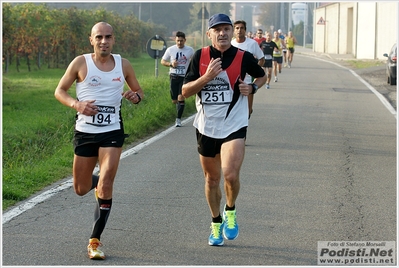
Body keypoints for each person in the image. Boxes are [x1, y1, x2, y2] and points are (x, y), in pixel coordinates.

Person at [54, 22, 144, 260]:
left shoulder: (123, 64)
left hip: (112, 131)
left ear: (114, 39)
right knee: (81, 188)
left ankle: (95, 240)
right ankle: (96, 184)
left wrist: (135, 97)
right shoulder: (80, 63)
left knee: (106, 183)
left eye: (108, 37)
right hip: (85, 132)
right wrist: (77, 104)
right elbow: (59, 91)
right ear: (91, 40)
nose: (104, 41)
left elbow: (138, 91)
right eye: (99, 37)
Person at [181, 13, 266, 247]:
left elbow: (262, 76)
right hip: (206, 126)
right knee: (211, 179)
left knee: (229, 175)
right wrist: (207, 77)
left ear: (232, 32)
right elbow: (184, 91)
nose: (223, 33)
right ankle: (216, 222)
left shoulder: (243, 56)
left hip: (234, 124)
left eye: (226, 29)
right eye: (217, 29)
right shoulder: (199, 57)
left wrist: (252, 88)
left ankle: (230, 210)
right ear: (209, 34)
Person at [231, 20, 265, 118]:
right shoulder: (231, 44)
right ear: (234, 30)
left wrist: (255, 73)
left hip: (247, 80)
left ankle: (248, 112)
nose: (239, 30)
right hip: (233, 80)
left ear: (245, 30)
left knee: (247, 111)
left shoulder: (252, 44)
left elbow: (261, 59)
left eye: (241, 28)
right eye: (237, 28)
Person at [161, 31, 194, 127]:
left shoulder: (190, 50)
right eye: (178, 41)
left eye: (181, 41)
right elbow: (163, 61)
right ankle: (176, 110)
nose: (179, 43)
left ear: (185, 40)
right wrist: (171, 64)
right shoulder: (170, 49)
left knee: (181, 97)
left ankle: (178, 119)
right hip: (173, 76)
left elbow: (194, 61)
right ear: (175, 40)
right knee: (174, 100)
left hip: (184, 77)